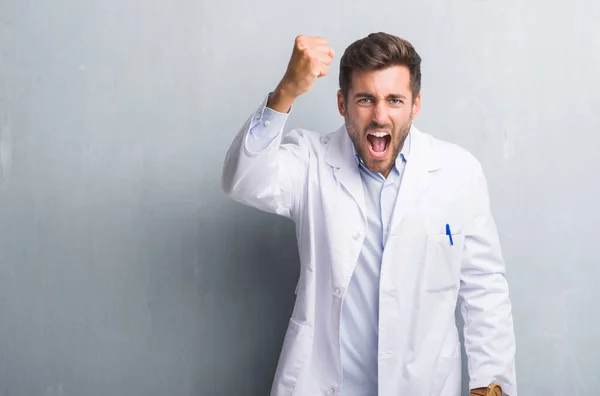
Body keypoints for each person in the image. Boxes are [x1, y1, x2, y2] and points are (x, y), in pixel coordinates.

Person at [221, 32, 517, 396]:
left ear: (415, 105)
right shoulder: (312, 160)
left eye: (395, 100)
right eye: (365, 99)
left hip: (424, 385)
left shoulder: (458, 173)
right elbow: (242, 181)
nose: (380, 116)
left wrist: (492, 383)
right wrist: (287, 91)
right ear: (342, 104)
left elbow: (485, 287)